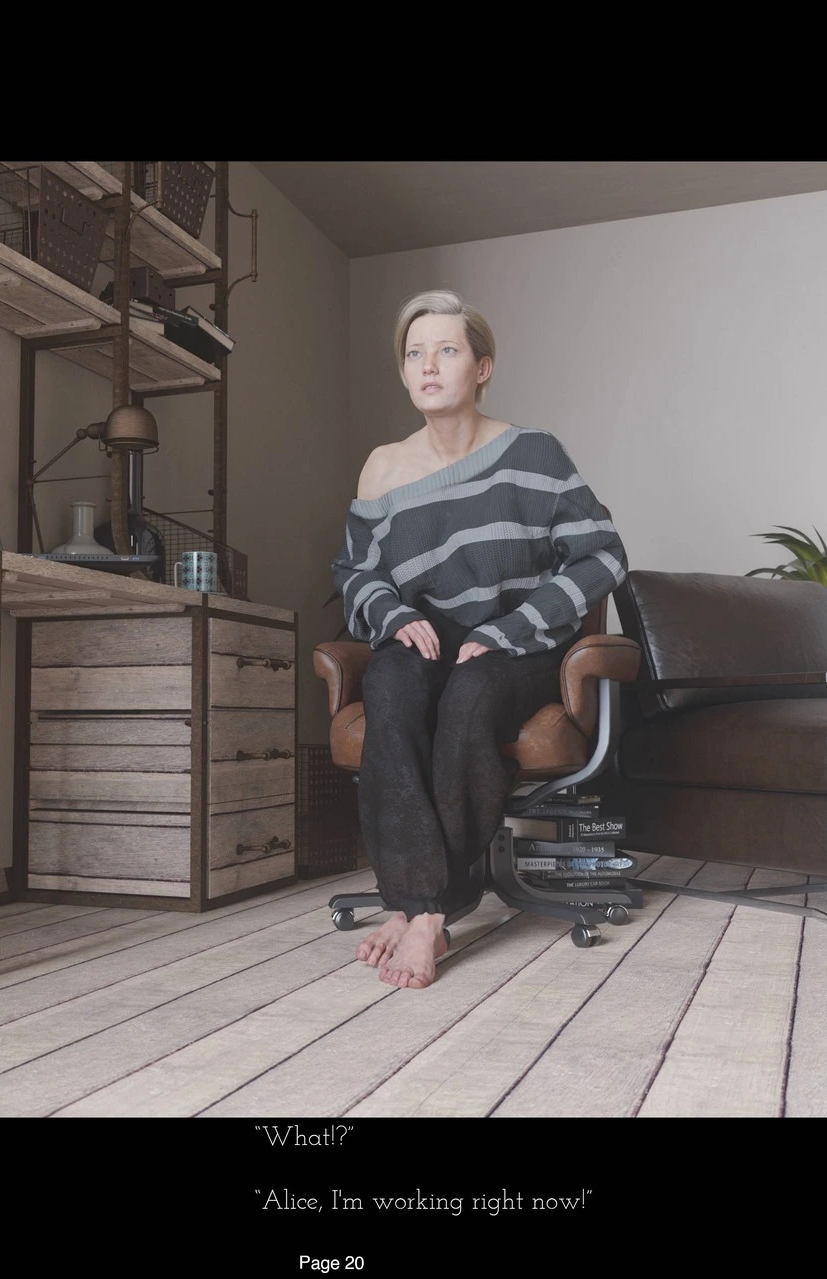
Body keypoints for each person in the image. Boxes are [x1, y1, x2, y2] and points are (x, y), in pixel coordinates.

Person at [330, 289, 628, 989]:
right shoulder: (382, 468)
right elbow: (354, 572)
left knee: (470, 696)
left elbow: (603, 557)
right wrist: (392, 615)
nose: (428, 365)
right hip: (426, 639)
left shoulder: (535, 453)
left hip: (519, 644)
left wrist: (510, 628)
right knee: (389, 683)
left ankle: (425, 912)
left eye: (446, 350)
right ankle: (415, 901)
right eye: (414, 353)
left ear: (483, 367)